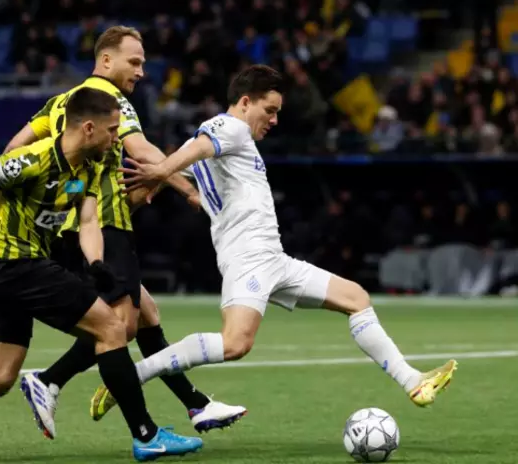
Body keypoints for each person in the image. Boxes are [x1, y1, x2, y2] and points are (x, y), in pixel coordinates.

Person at [92, 64, 457, 411]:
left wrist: (172, 186)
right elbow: (197, 149)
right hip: (248, 258)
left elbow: (189, 161)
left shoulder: (226, 140)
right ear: (245, 102)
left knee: (356, 298)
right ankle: (131, 376)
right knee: (235, 343)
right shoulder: (228, 126)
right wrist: (160, 171)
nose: (275, 120)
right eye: (270, 110)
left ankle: (412, 381)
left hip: (274, 259)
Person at [0, 88, 203, 463]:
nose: (117, 139)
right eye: (112, 131)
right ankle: (146, 435)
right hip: (15, 265)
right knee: (112, 328)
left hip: (7, 272)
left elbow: (88, 221)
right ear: (88, 128)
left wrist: (96, 263)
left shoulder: (89, 167)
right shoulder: (31, 159)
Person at [0, 25, 245, 438]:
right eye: (134, 62)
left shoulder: (63, 101)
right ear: (105, 60)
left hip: (68, 226)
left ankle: (196, 405)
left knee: (145, 315)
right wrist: (192, 190)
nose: (140, 71)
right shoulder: (109, 100)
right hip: (102, 224)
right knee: (120, 326)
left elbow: (14, 147)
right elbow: (142, 151)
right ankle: (51, 380)